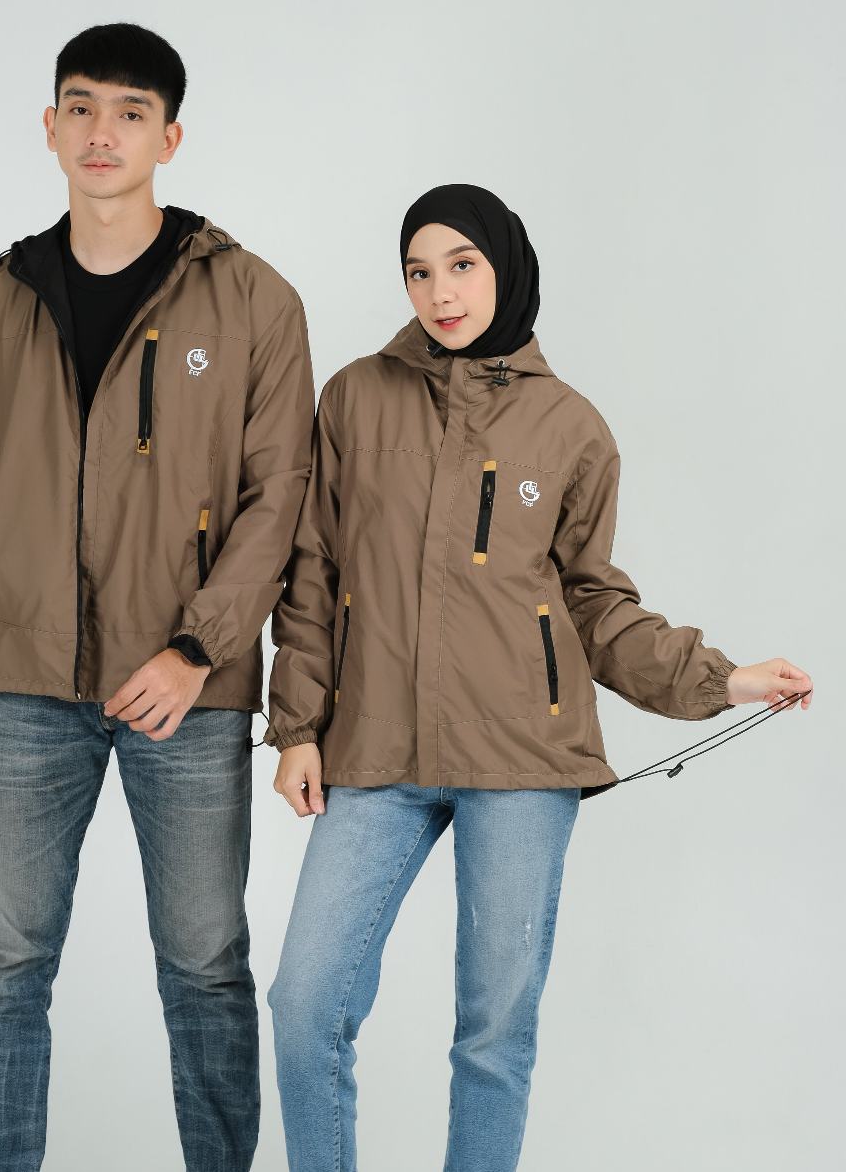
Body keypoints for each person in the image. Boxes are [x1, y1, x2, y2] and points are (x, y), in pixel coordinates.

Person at [262, 182, 813, 1172]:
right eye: (418, 271)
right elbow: (314, 571)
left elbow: (597, 606)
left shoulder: (571, 427)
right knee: (305, 1005)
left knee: (493, 1034)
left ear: (505, 268)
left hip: (522, 763)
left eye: (461, 265)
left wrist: (724, 678)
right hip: (374, 751)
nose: (439, 291)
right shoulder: (352, 398)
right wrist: (297, 726)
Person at [0, 22, 315, 1172]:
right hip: (24, 684)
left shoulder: (252, 301)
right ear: (49, 127)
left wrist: (198, 648)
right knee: (6, 965)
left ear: (169, 138)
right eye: (80, 107)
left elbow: (278, 498)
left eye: (131, 112)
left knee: (204, 966)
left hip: (188, 688)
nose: (102, 132)